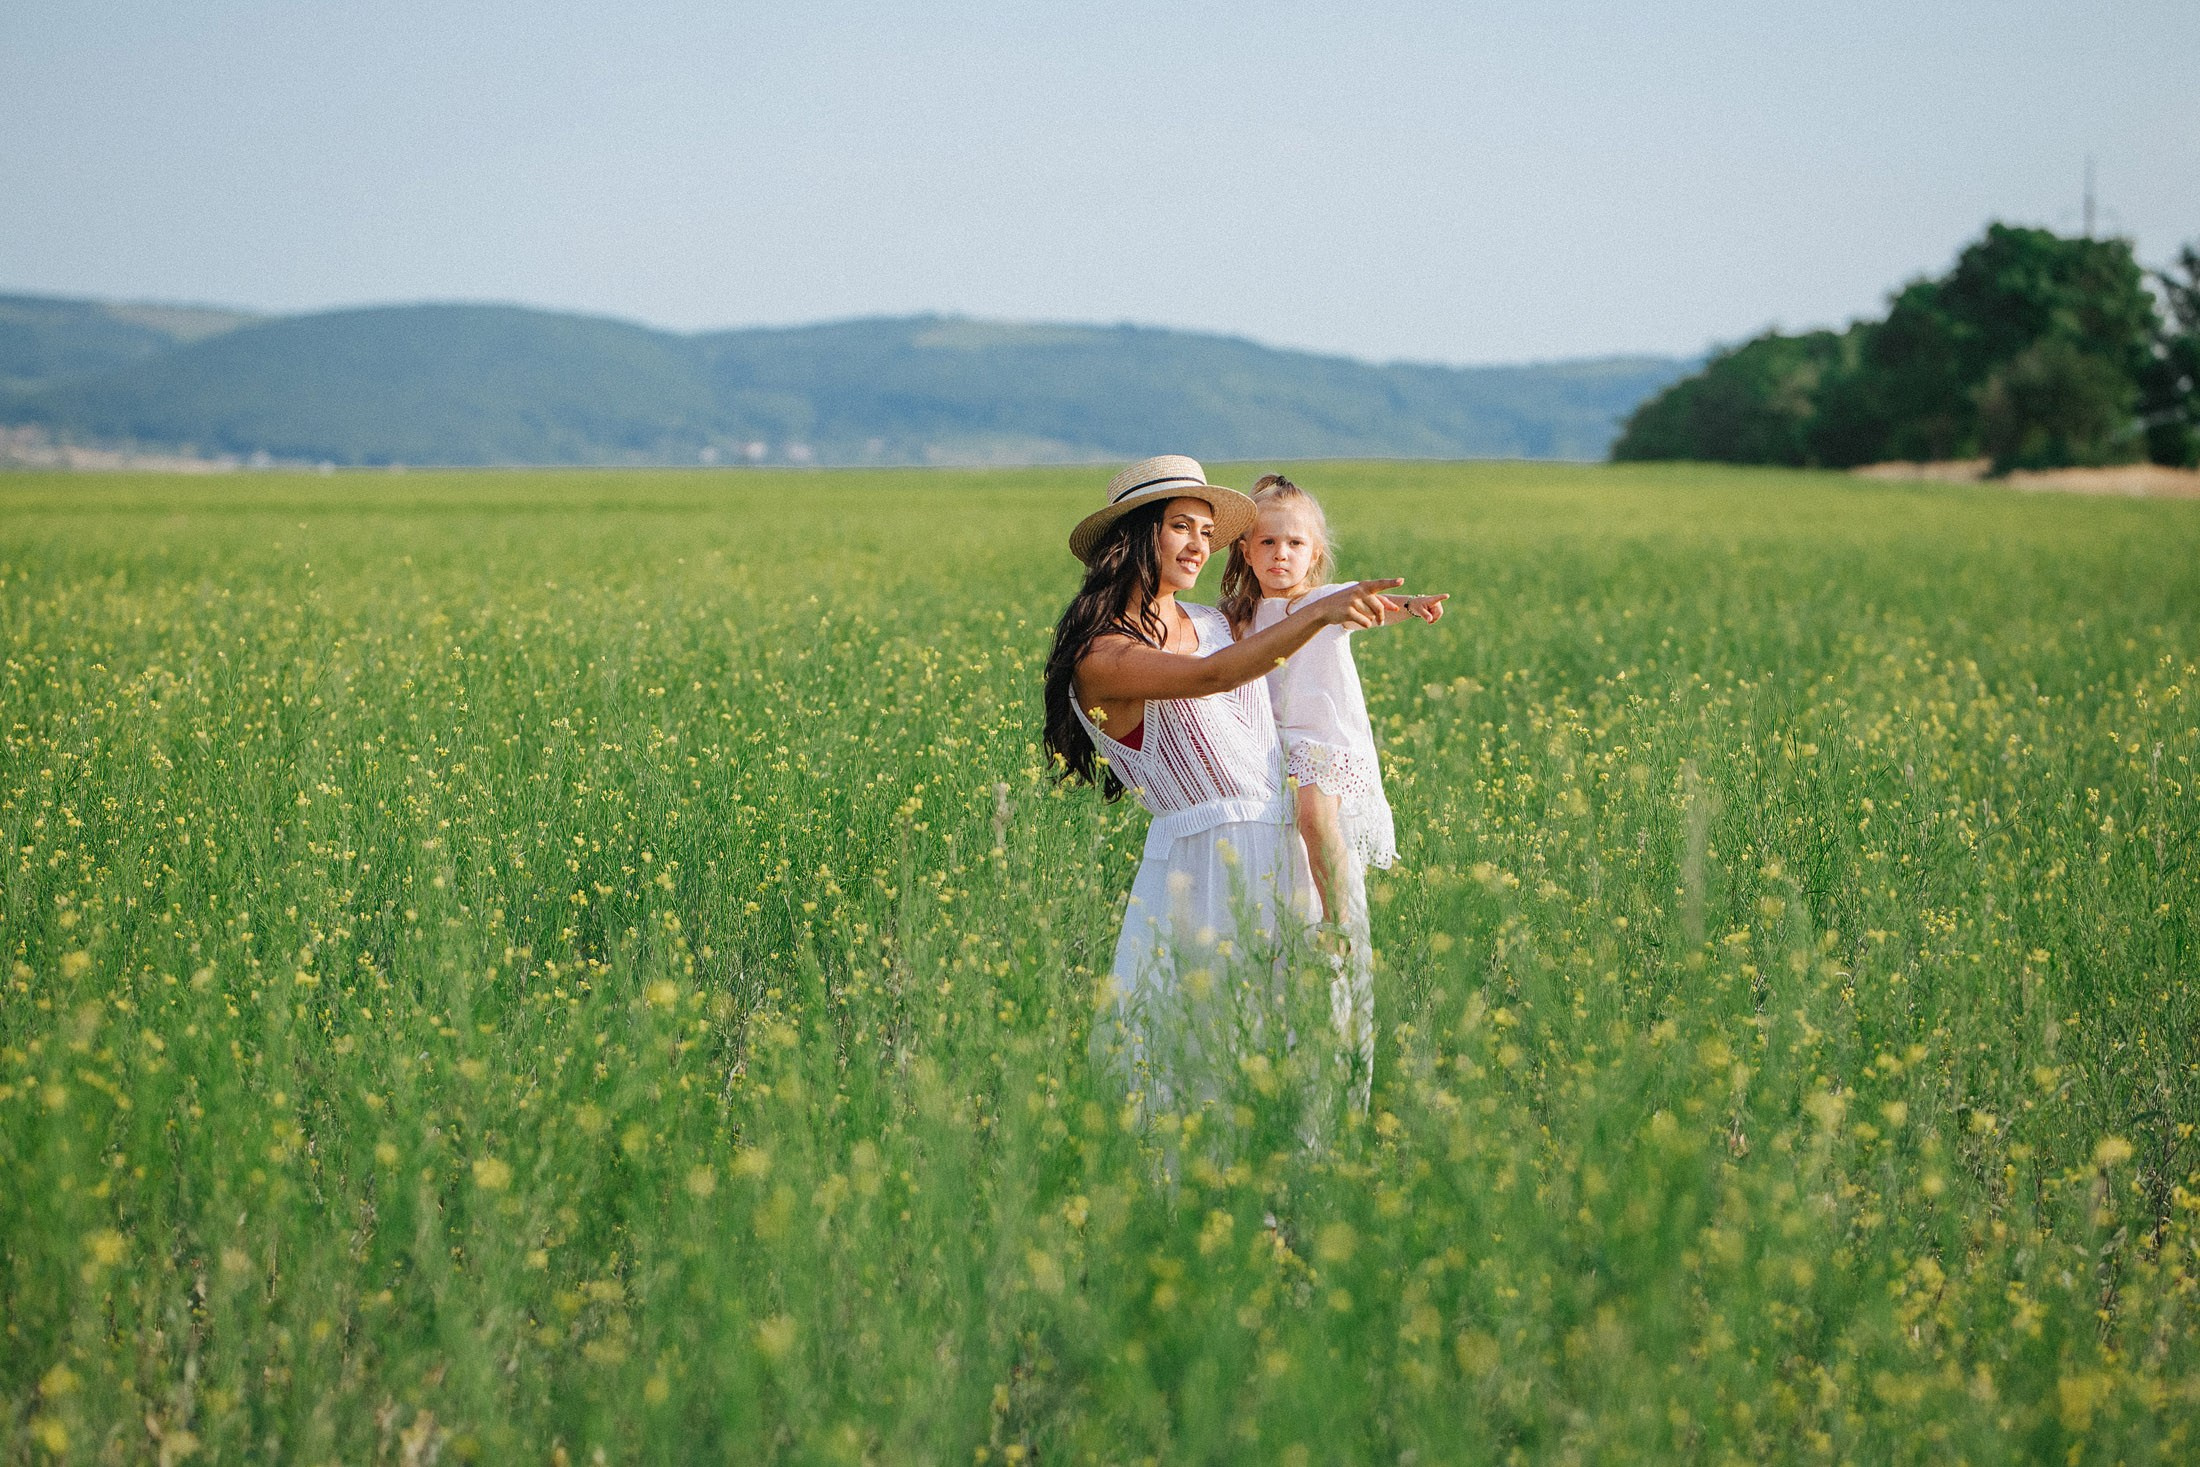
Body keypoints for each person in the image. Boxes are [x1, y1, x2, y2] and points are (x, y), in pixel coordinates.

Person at [1042, 455, 1405, 1103]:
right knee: (1204, 1071)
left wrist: (1346, 609)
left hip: (1293, 865)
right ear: (1133, 535)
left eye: (1208, 533)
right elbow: (1217, 677)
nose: (1200, 546)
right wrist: (1321, 611)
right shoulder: (1102, 658)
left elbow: (1272, 643)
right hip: (1205, 876)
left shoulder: (1213, 623)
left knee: (1306, 1065)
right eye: (1182, 526)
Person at [1218, 473, 1446, 1109]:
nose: (1280, 555)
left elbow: (1376, 605)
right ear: (1244, 552)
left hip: (1322, 739)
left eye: (1294, 544)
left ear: (1315, 553)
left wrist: (1416, 604)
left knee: (1318, 816)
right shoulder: (1241, 615)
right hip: (1272, 743)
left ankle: (1338, 918)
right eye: (1266, 543)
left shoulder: (1330, 598)